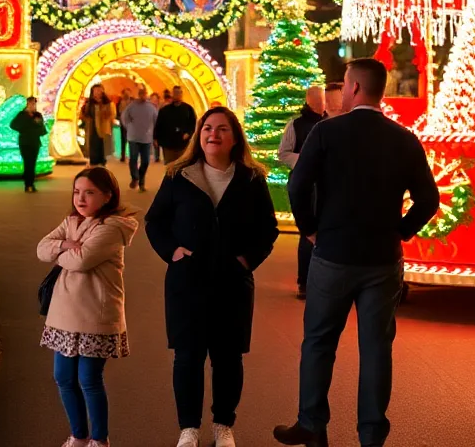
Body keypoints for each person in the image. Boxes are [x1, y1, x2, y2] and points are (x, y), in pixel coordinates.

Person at [275, 58, 440, 447]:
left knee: (319, 341)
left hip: (333, 252)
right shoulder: (403, 138)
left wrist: (311, 228)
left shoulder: (326, 132)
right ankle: (371, 436)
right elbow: (429, 199)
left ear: (353, 88)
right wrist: (400, 231)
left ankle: (312, 425)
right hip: (382, 259)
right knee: (377, 348)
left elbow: (297, 186)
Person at [145, 107, 279, 447]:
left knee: (227, 357)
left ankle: (223, 425)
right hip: (186, 283)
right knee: (187, 356)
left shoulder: (251, 179)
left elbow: (268, 229)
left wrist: (247, 261)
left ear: (235, 138)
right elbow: (155, 221)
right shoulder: (179, 176)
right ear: (198, 135)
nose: (212, 134)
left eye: (221, 129)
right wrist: (172, 252)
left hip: (232, 283)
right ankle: (189, 428)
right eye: (207, 128)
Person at [37, 166, 138, 447]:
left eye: (89, 193)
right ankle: (78, 436)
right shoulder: (71, 221)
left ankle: (99, 439)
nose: (81, 199)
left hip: (96, 315)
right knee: (63, 378)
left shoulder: (113, 227)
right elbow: (41, 248)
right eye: (77, 192)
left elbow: (81, 261)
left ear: (107, 196)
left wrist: (63, 249)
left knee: (88, 379)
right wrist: (68, 246)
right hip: (64, 315)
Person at [277, 86, 326, 301]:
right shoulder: (296, 124)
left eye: (323, 99)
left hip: (327, 185)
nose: (321, 102)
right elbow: (283, 153)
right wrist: (304, 162)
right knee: (308, 233)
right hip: (305, 185)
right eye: (317, 99)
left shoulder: (330, 122)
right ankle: (303, 282)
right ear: (308, 100)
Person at [120, 86, 158, 192]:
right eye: (141, 94)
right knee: (133, 159)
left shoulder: (151, 107)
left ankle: (141, 180)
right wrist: (129, 127)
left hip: (146, 138)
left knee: (145, 161)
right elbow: (124, 117)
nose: (143, 96)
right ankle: (135, 178)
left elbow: (156, 121)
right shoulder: (131, 106)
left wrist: (154, 135)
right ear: (138, 95)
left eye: (144, 94)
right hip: (133, 137)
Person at [10, 96, 47, 192]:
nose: (32, 105)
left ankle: (31, 183)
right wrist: (25, 126)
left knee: (32, 163)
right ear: (27, 104)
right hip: (25, 142)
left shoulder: (38, 115)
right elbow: (13, 125)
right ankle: (27, 184)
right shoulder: (22, 115)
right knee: (27, 163)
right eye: (30, 103)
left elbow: (42, 131)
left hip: (35, 142)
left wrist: (38, 124)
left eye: (34, 104)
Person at [154, 85, 197, 166]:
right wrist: (156, 138)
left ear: (181, 94)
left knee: (182, 166)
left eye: (178, 93)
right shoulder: (165, 110)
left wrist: (188, 133)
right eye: (175, 93)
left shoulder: (188, 109)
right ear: (172, 94)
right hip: (168, 144)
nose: (177, 95)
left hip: (183, 144)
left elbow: (192, 124)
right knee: (170, 167)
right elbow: (159, 125)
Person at [81, 85, 115, 166]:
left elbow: (111, 115)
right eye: (96, 91)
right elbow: (84, 115)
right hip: (92, 128)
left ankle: (102, 161)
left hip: (103, 128)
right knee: (93, 145)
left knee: (103, 146)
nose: (98, 93)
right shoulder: (89, 103)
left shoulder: (107, 103)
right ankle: (94, 162)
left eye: (100, 90)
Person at [115, 88, 133, 161]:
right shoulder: (120, 102)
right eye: (125, 93)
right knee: (123, 139)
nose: (127, 95)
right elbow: (117, 112)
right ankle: (123, 155)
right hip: (123, 123)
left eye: (128, 93)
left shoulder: (133, 102)